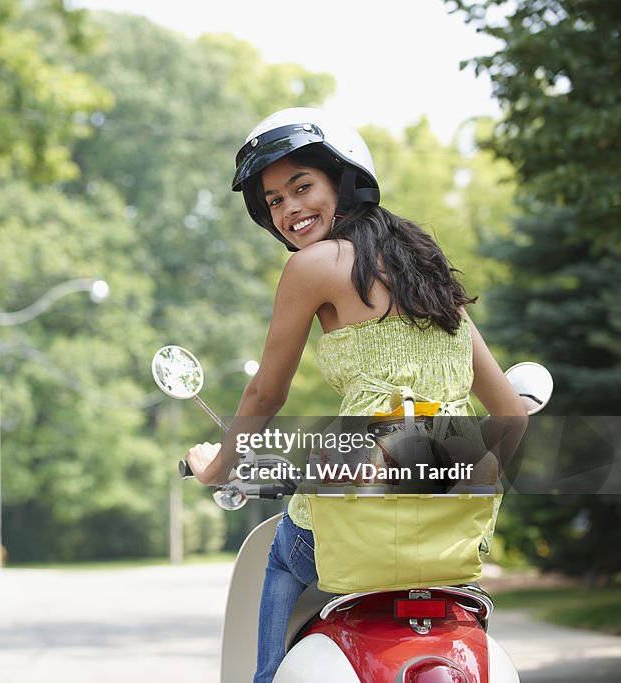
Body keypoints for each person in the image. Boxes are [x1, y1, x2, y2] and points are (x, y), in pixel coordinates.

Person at [183, 108, 529, 683]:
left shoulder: (313, 266)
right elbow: (512, 417)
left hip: (356, 510)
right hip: (447, 533)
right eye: (274, 201)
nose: (290, 209)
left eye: (302, 187)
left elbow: (266, 393)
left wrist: (218, 468)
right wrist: (466, 493)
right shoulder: (430, 277)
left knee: (281, 556)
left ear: (342, 183)